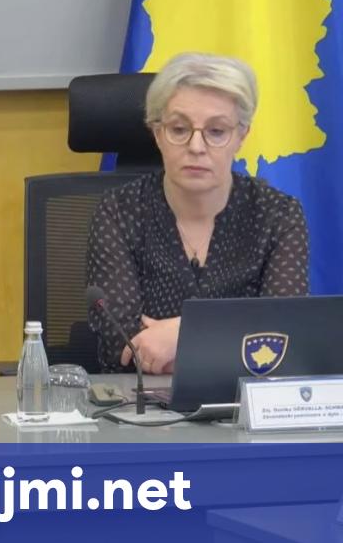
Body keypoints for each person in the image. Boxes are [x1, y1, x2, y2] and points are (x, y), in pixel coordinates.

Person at [87, 52, 308, 375]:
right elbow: (117, 341)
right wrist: (235, 339)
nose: (196, 146)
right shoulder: (119, 212)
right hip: (140, 400)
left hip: (244, 399)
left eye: (216, 131)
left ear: (241, 136)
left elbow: (285, 329)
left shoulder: (278, 216)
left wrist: (181, 333)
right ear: (157, 132)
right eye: (179, 129)